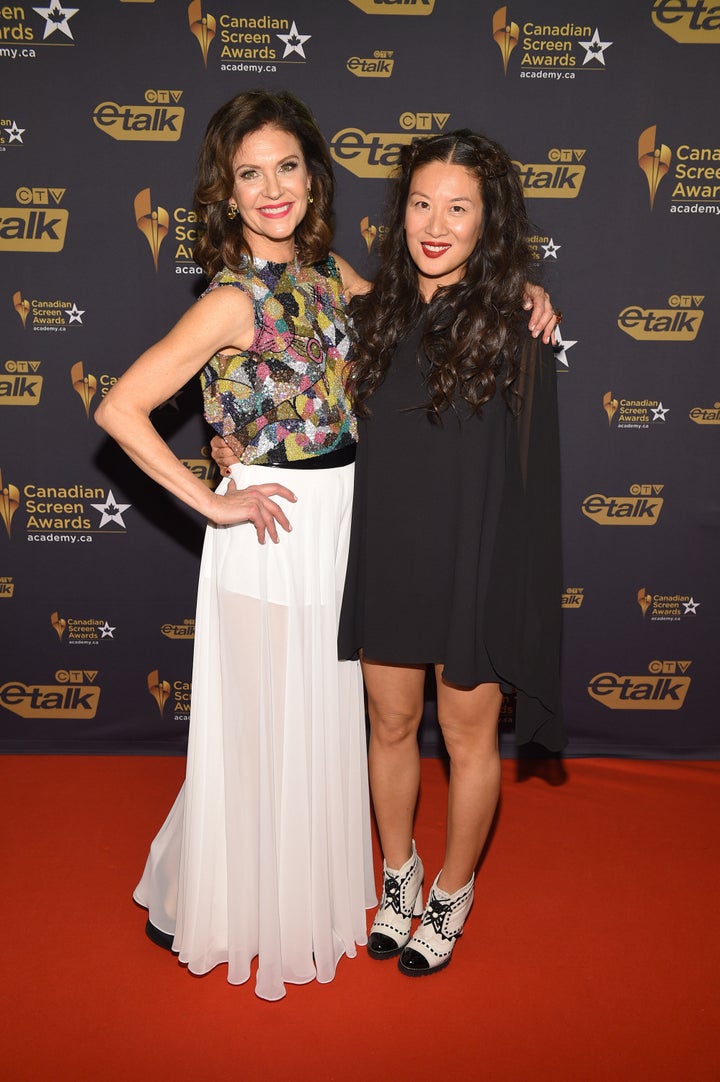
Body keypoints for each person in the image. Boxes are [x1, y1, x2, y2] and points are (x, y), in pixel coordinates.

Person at [99, 90, 557, 1001]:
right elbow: (119, 407)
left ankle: (354, 890)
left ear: (314, 178)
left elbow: (424, 306)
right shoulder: (231, 300)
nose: (272, 189)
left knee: (318, 729)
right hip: (273, 539)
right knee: (264, 733)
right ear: (225, 194)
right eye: (249, 174)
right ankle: (244, 903)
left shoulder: (330, 276)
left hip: (350, 532)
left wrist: (526, 288)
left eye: (287, 168)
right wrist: (214, 498)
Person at [336, 129, 565, 976]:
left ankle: (453, 889)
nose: (436, 224)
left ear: (487, 221)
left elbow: (536, 483)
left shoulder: (518, 328)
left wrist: (517, 592)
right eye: (422, 204)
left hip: (475, 564)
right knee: (390, 724)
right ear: (402, 215)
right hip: (389, 553)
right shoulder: (370, 315)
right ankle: (398, 873)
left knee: (469, 743)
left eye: (458, 207)